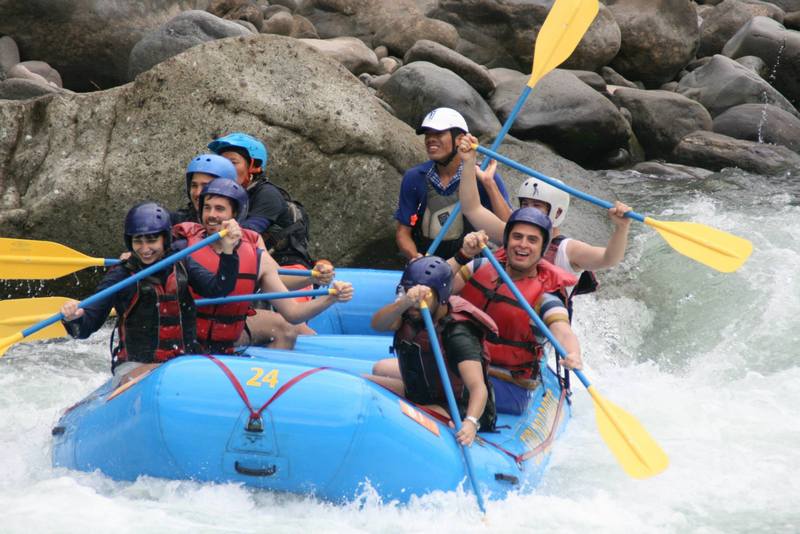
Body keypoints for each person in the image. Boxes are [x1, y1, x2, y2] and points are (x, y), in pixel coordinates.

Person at [60, 202, 242, 385]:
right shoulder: (121, 275)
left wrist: (228, 250)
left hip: (182, 362)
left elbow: (220, 288)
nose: (145, 249)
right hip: (135, 366)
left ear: (165, 239)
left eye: (152, 240)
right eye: (138, 241)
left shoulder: (181, 263)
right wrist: (74, 318)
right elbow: (85, 328)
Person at [457, 133, 632, 315]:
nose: (529, 210)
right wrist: (468, 163)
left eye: (537, 206)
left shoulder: (568, 250)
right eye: (525, 204)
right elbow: (472, 208)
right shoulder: (513, 237)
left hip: (543, 330)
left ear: (557, 212)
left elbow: (609, 259)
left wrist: (621, 227)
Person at [172, 178, 353, 352]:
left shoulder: (255, 255)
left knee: (287, 327)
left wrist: (331, 298)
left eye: (219, 209)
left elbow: (294, 312)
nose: (211, 215)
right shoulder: (182, 247)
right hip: (188, 336)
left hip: (229, 335)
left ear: (235, 214)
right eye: (207, 208)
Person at [449, 208, 582, 415]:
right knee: (382, 369)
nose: (523, 245)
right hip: (463, 366)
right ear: (507, 240)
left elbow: (563, 331)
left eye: (532, 240)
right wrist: (463, 254)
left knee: (419, 382)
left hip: (508, 384)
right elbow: (439, 289)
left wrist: (573, 353)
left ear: (542, 248)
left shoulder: (546, 297)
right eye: (517, 237)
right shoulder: (481, 266)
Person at [368, 256, 496, 446]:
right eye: (408, 293)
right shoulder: (409, 313)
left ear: (441, 295)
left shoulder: (458, 334)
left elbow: (478, 387)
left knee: (418, 415)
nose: (416, 303)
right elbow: (377, 325)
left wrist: (470, 423)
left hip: (458, 407)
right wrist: (404, 302)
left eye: (425, 296)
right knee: (368, 381)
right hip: (421, 393)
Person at [394, 108, 512, 261]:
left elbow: (510, 230)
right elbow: (403, 232)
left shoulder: (483, 175)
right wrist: (415, 258)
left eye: (438, 134)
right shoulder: (414, 177)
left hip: (469, 265)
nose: (430, 139)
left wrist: (490, 184)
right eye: (428, 135)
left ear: (460, 139)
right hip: (426, 263)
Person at [207, 132, 315, 270]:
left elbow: (247, 233)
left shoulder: (267, 194)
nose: (225, 168)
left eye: (233, 162)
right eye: (222, 162)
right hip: (251, 266)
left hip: (287, 268)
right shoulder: (225, 196)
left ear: (254, 166)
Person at [170, 153, 239, 225]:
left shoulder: (243, 230)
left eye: (206, 186)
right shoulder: (176, 223)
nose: (198, 193)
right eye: (194, 185)